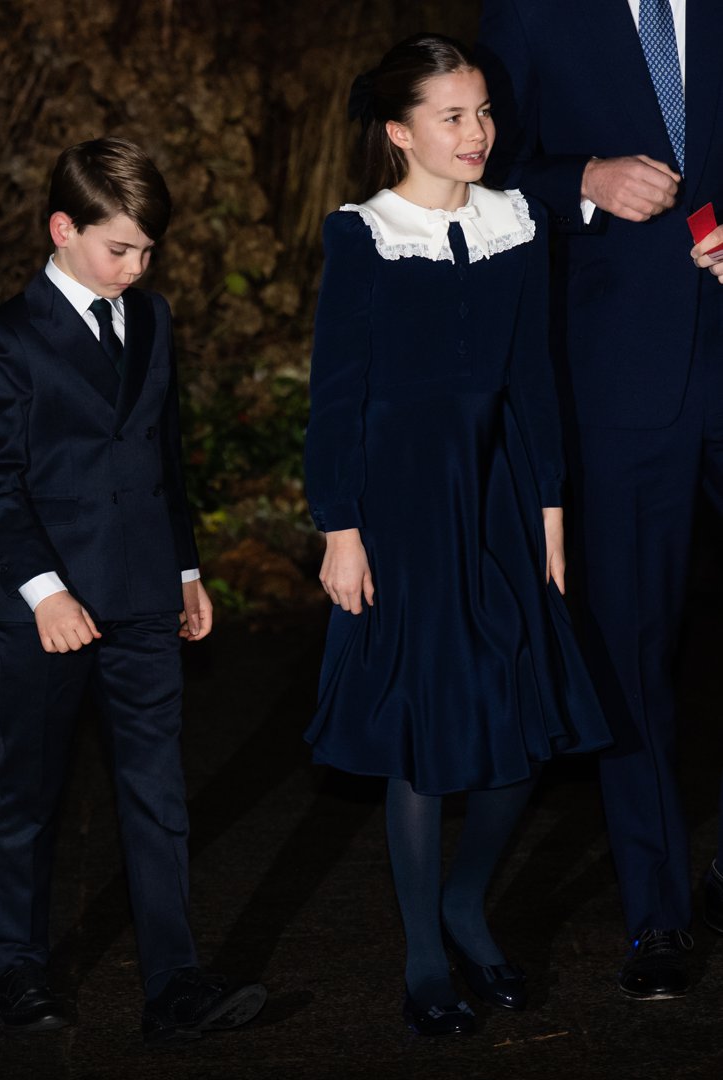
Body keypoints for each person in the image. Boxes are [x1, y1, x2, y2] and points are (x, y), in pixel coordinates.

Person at [303, 34, 612, 1037]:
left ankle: (466, 903)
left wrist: (550, 512)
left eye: (482, 111)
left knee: (525, 714)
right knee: (425, 726)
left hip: (501, 491)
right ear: (400, 133)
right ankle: (425, 958)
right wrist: (339, 526)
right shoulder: (363, 235)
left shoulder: (517, 221)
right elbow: (337, 393)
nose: (477, 132)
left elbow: (532, 377)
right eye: (451, 116)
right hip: (400, 501)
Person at [0, 136, 267, 1043]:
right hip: (47, 607)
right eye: (119, 248)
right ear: (63, 229)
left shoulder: (153, 319)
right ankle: (19, 966)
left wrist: (185, 569)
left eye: (147, 252)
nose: (135, 269)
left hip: (141, 595)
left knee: (156, 793)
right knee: (30, 792)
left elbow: (164, 455)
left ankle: (174, 982)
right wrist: (44, 592)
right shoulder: (7, 337)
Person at [476, 0, 723, 999]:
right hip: (615, 379)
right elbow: (480, 167)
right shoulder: (533, 13)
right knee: (629, 647)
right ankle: (656, 913)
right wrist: (582, 179)